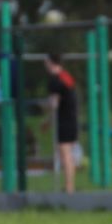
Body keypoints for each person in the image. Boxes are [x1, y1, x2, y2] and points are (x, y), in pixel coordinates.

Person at [44, 53, 79, 194]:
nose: (45, 66)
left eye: (46, 63)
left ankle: (69, 188)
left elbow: (54, 104)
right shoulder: (66, 76)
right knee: (67, 154)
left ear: (52, 63)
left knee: (65, 154)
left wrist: (46, 118)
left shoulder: (55, 80)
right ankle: (70, 186)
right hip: (71, 118)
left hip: (64, 120)